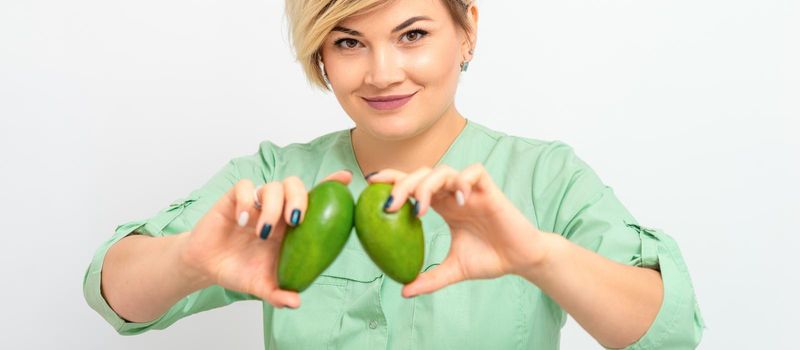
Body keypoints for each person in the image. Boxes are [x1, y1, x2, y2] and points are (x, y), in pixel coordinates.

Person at [83, 0, 705, 349]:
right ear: (320, 55)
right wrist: (192, 259)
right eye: (348, 42)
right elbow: (114, 294)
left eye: (412, 34)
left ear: (467, 31)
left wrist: (539, 258)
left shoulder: (545, 175)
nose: (381, 73)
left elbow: (671, 331)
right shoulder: (277, 178)